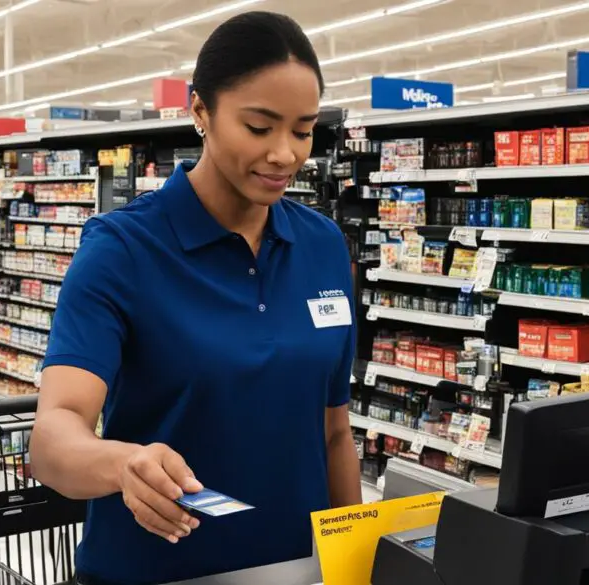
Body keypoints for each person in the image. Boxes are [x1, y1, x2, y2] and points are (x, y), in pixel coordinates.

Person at [30, 11, 361, 585]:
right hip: (153, 570)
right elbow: (54, 435)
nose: (285, 154)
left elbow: (334, 433)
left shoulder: (323, 245)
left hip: (292, 570)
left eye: (303, 130)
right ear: (200, 111)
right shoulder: (123, 249)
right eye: (259, 127)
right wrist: (121, 463)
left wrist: (355, 562)